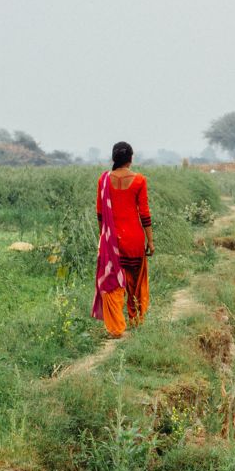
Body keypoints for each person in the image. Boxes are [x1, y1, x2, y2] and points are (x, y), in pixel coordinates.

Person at [92, 141, 153, 337]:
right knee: (134, 282)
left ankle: (117, 327)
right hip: (134, 239)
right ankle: (135, 320)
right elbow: (144, 213)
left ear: (113, 158)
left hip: (113, 241)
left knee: (113, 282)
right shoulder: (139, 180)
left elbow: (101, 214)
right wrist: (150, 241)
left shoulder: (103, 181)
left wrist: (105, 237)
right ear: (130, 158)